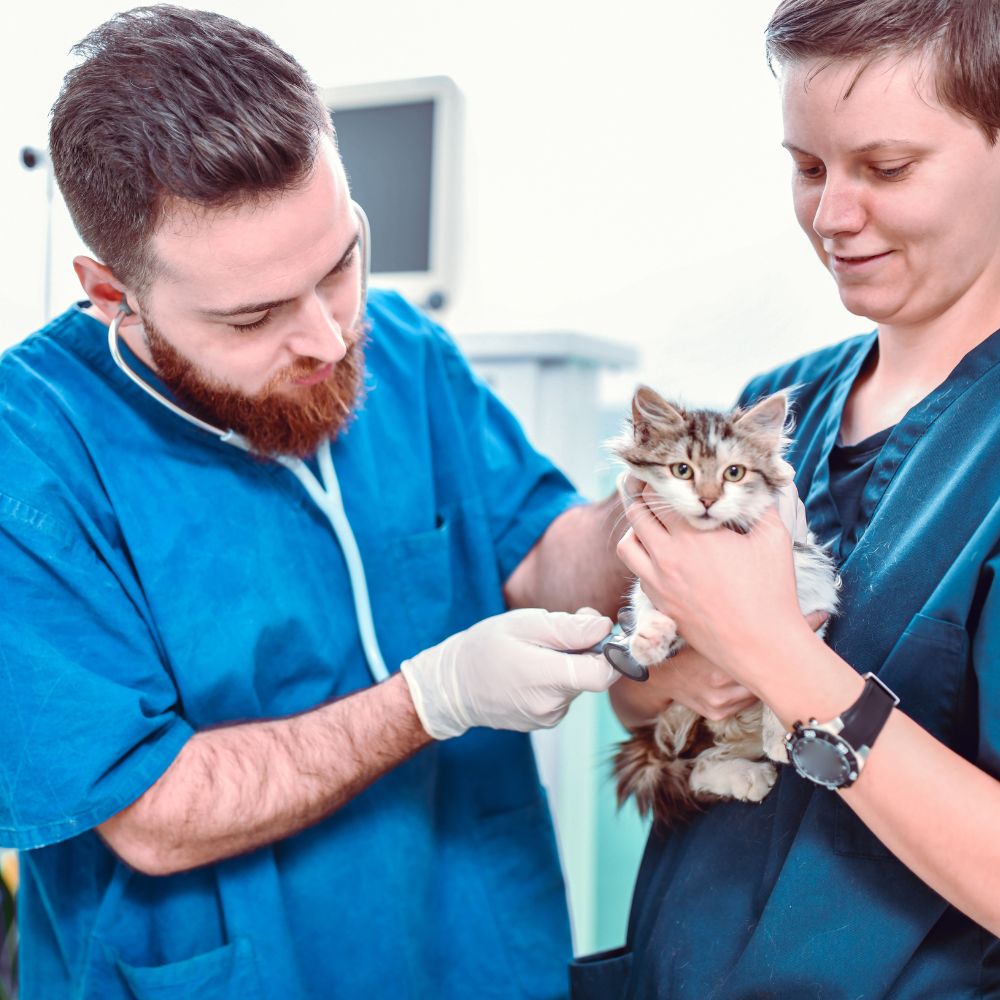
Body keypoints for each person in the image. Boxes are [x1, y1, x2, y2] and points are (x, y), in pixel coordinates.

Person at [0, 7, 635, 999]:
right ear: (111, 293)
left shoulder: (405, 350)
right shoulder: (34, 460)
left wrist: (644, 515)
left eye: (340, 263)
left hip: (474, 946)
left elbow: (540, 556)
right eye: (253, 316)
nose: (329, 340)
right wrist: (432, 698)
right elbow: (153, 812)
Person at [571, 0, 1000, 996]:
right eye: (808, 167)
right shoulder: (772, 412)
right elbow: (639, 697)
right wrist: (674, 674)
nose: (831, 217)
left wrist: (771, 650)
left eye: (886, 168)